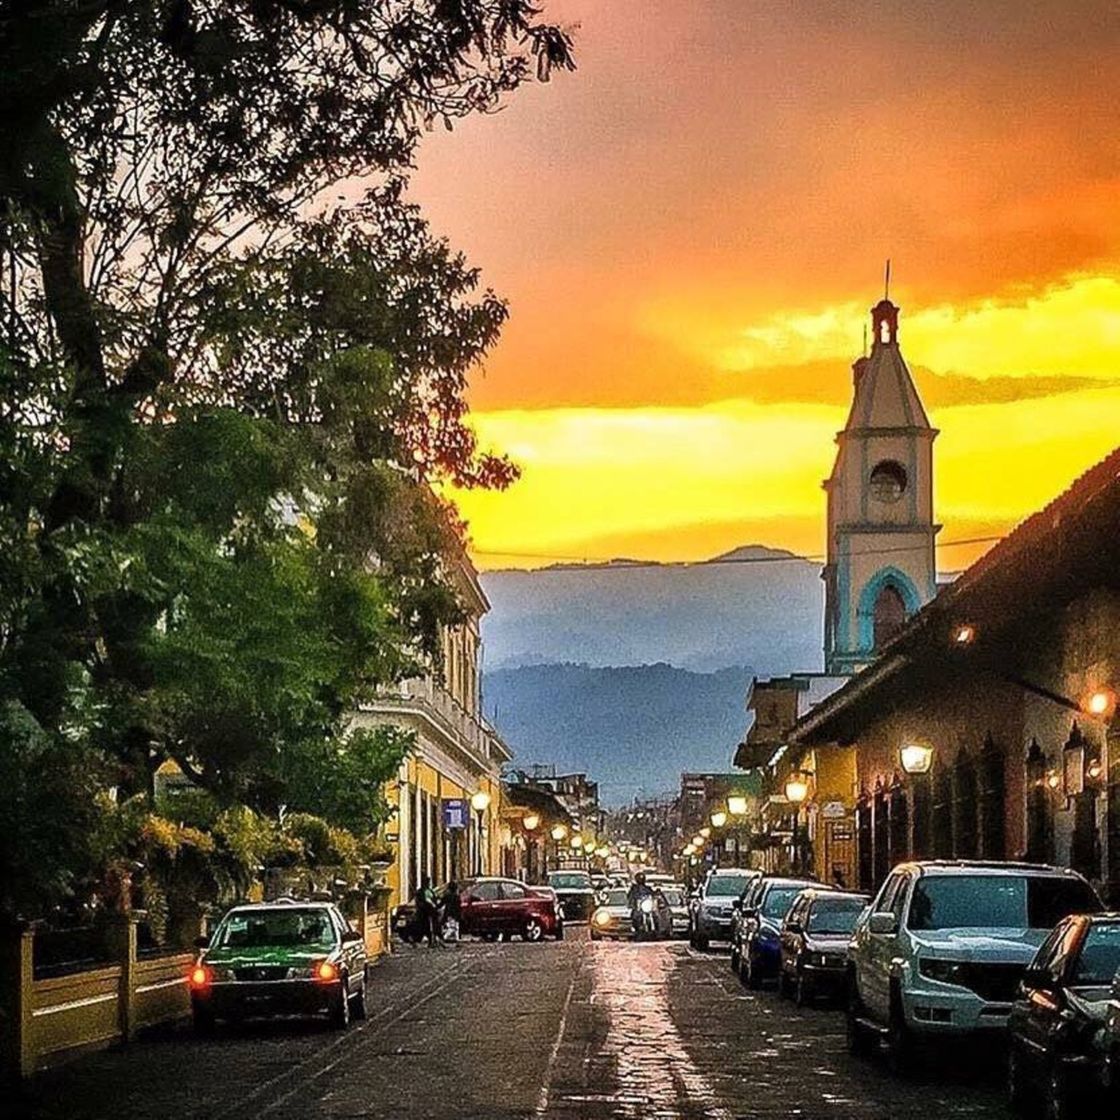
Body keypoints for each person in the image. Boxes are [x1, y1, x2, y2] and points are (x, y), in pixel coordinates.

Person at [414, 875, 440, 948]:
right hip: (424, 913)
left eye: (429, 882)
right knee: (424, 927)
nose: (428, 883)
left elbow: (435, 899)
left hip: (432, 912)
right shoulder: (420, 892)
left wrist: (436, 904)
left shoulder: (431, 891)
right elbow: (419, 902)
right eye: (427, 882)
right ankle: (420, 940)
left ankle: (432, 941)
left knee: (433, 927)